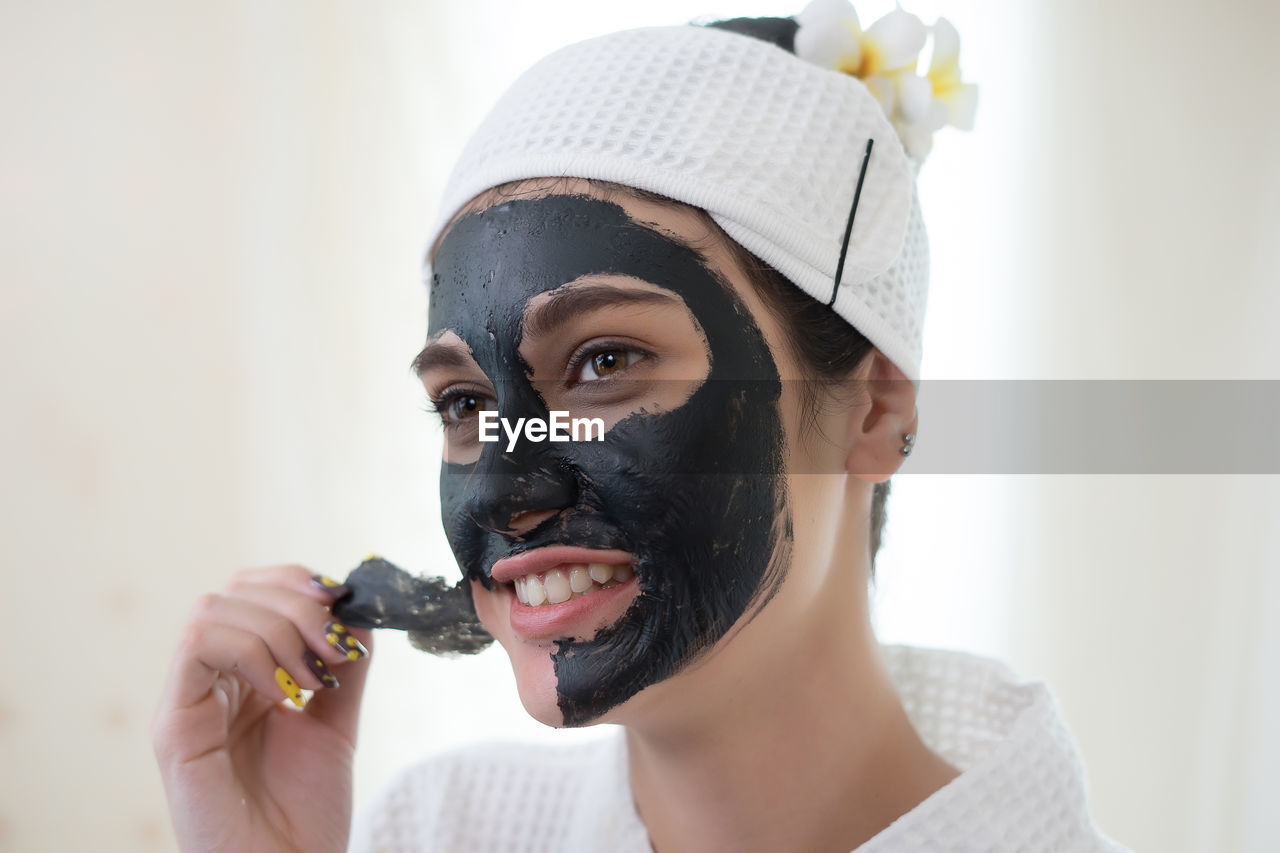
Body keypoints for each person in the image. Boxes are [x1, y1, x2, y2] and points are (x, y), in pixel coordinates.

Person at [153, 4, 1127, 851]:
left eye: (605, 362)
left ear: (874, 407)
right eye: (464, 403)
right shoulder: (442, 832)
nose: (502, 484)